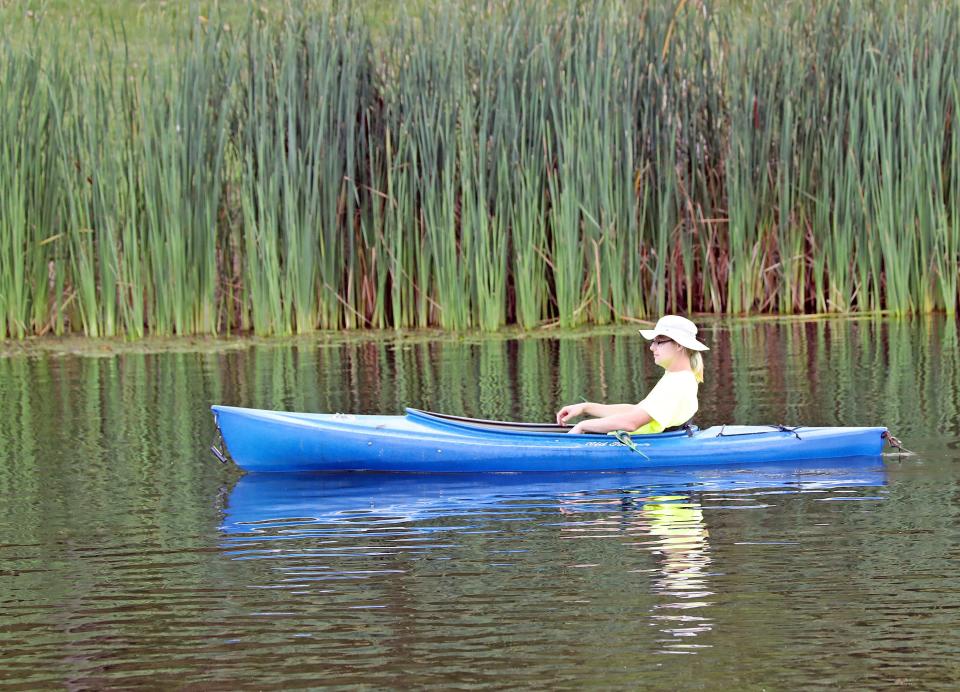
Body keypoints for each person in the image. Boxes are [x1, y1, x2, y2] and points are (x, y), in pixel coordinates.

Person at [556, 315, 709, 435]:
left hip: (652, 448)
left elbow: (631, 423)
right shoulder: (676, 377)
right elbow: (636, 411)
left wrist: (583, 425)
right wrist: (586, 408)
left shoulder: (677, 383)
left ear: (679, 345)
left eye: (659, 342)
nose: (651, 347)